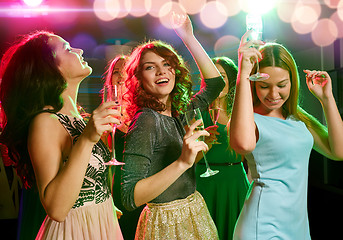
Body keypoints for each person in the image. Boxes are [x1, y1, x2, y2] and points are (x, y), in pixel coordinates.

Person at [0, 31, 124, 239]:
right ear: (47, 68)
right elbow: (56, 209)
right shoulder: (45, 122)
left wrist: (103, 203)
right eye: (67, 49)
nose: (80, 50)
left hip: (102, 224)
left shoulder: (80, 118)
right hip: (75, 231)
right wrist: (87, 139)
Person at [229, 31, 343, 239]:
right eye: (264, 86)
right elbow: (243, 145)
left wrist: (327, 99)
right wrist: (242, 75)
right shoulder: (248, 119)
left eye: (281, 85)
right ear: (254, 83)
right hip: (262, 225)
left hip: (297, 226)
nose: (273, 95)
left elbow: (338, 151)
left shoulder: (298, 120)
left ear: (292, 81)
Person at [121, 14, 225, 239]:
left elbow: (216, 84)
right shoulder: (146, 120)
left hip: (195, 209)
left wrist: (188, 37)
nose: (161, 71)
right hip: (165, 223)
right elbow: (130, 197)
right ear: (138, 79)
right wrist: (182, 162)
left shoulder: (181, 110)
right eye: (150, 67)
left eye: (167, 64)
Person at [195, 56, 250, 240]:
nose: (218, 81)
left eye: (223, 76)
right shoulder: (197, 111)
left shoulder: (241, 110)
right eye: (213, 76)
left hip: (234, 181)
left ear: (232, 80)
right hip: (204, 181)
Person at [102, 55, 144, 240]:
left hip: (144, 188)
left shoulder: (145, 113)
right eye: (116, 72)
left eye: (126, 72)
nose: (120, 77)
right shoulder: (104, 116)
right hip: (117, 190)